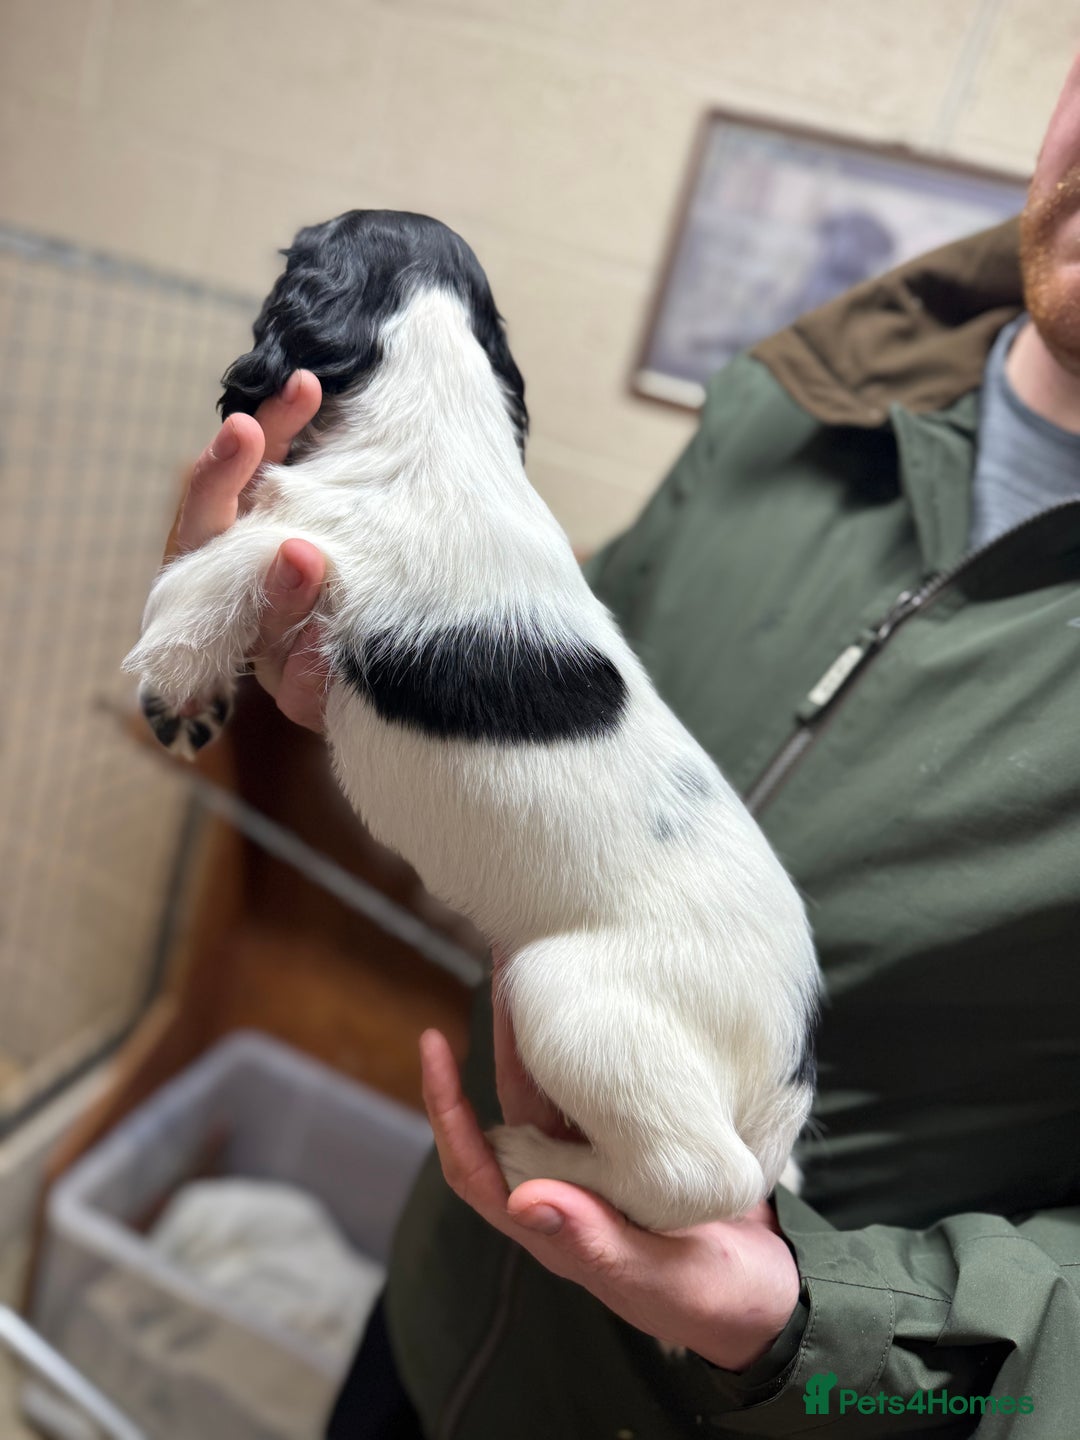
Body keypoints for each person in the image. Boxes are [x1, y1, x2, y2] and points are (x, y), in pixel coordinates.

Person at [165, 58, 1080, 1439]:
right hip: (444, 1306)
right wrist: (303, 660)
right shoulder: (794, 396)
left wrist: (815, 1333)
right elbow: (530, 728)